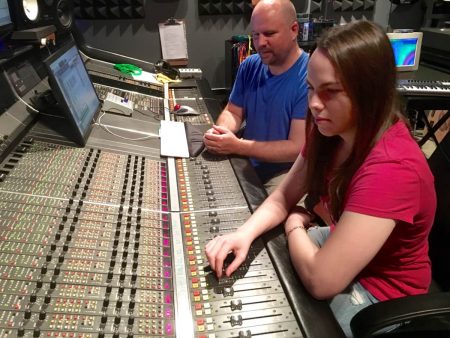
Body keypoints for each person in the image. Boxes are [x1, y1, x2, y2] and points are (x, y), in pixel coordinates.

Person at [205, 20, 436, 337]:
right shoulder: (330, 129)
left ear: (370, 91)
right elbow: (284, 197)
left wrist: (294, 224)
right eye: (311, 88)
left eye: (330, 92)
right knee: (265, 253)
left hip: (382, 295)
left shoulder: (392, 167)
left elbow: (320, 280)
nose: (314, 104)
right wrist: (243, 235)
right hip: (344, 247)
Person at [203, 0, 309, 192]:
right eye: (256, 35)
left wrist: (238, 146)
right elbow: (233, 112)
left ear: (294, 30)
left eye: (269, 34)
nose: (260, 43)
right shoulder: (250, 65)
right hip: (246, 160)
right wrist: (221, 133)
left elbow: (296, 148)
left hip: (285, 173)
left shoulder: (310, 76)